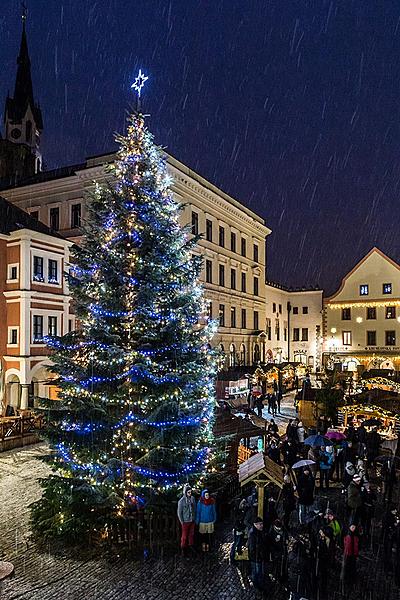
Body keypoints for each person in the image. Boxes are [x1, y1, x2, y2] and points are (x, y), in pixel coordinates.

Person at [247, 517, 268, 591]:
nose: (262, 525)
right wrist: (259, 555)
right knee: (256, 572)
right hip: (256, 558)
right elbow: (252, 549)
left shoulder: (259, 531)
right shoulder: (253, 534)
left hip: (259, 557)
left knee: (259, 572)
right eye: (260, 524)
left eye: (262, 524)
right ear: (255, 524)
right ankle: (257, 586)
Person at [177, 484, 196, 555]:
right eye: (188, 492)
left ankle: (191, 546)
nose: (190, 494)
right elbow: (179, 512)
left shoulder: (192, 499)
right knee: (184, 536)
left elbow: (195, 508)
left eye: (191, 492)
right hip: (185, 521)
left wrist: (194, 517)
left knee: (191, 534)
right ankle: (183, 549)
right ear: (185, 492)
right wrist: (182, 521)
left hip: (192, 520)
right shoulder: (181, 501)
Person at [341, 524, 359, 590]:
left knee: (352, 567)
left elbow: (357, 545)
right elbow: (344, 544)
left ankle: (351, 580)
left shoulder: (356, 536)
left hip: (353, 554)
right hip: (348, 554)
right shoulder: (347, 535)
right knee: (347, 567)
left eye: (354, 527)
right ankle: (347, 581)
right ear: (349, 527)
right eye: (352, 527)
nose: (353, 528)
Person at [230, 499, 247, 564]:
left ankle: (238, 553)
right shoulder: (236, 511)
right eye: (242, 503)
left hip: (241, 528)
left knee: (240, 542)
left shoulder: (242, 510)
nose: (243, 505)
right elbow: (236, 520)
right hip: (237, 529)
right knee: (235, 543)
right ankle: (232, 559)